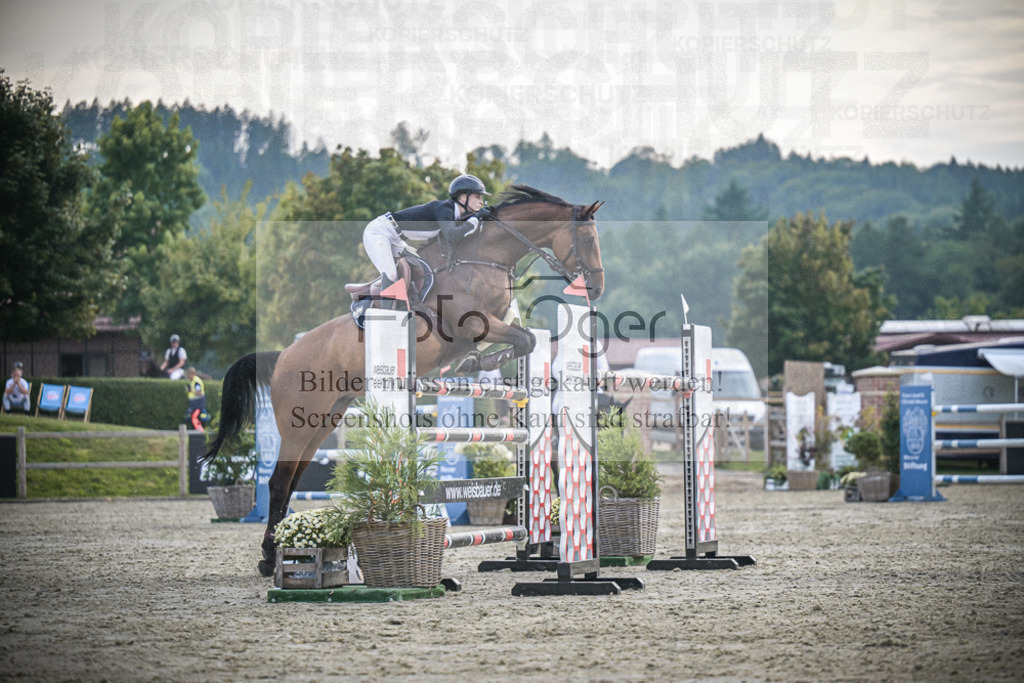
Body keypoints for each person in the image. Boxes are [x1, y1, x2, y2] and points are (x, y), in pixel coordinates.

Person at [362, 174, 492, 304]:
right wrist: (476, 218)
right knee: (391, 275)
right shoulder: (444, 209)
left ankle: (406, 305)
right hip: (379, 231)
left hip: (396, 238)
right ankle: (387, 317)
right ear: (464, 197)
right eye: (477, 196)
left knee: (416, 269)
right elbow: (453, 236)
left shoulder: (454, 214)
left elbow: (461, 233)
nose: (481, 201)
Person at [184, 367, 210, 431]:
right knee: (193, 418)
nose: (188, 376)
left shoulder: (196, 382)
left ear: (193, 373)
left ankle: (200, 431)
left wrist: (191, 390)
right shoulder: (192, 381)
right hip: (194, 404)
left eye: (189, 374)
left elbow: (199, 393)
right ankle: (199, 430)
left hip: (198, 404)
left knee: (194, 418)